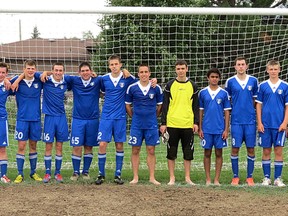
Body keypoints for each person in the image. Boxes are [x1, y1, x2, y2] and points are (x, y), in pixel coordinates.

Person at [95, 54, 137, 185]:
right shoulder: (104, 79)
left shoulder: (127, 78)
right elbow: (98, 90)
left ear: (120, 65)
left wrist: (153, 81)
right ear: (109, 66)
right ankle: (101, 174)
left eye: (116, 64)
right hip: (106, 117)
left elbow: (141, 83)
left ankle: (117, 174)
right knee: (102, 144)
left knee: (119, 145)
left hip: (120, 117)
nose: (114, 66)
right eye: (111, 64)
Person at [160, 60, 199, 186]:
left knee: (188, 152)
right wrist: (163, 123)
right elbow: (165, 105)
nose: (180, 71)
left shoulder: (193, 85)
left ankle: (187, 178)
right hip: (172, 123)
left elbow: (196, 106)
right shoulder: (170, 85)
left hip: (187, 124)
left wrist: (196, 122)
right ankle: (172, 178)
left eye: (182, 68)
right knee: (171, 152)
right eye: (178, 68)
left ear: (187, 69)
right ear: (175, 70)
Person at [125, 64, 163, 185]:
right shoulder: (132, 88)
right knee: (135, 149)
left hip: (151, 124)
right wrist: (134, 117)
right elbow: (127, 105)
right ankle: (135, 177)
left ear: (149, 73)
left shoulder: (156, 88)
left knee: (151, 150)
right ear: (138, 74)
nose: (144, 74)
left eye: (146, 72)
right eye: (141, 72)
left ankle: (152, 177)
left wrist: (153, 116)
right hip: (137, 124)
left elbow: (160, 106)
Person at [225, 57, 259, 186]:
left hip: (250, 121)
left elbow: (256, 101)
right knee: (235, 149)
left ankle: (250, 177)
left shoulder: (254, 81)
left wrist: (249, 110)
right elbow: (227, 101)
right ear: (235, 67)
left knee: (251, 149)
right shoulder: (230, 82)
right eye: (238, 64)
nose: (240, 67)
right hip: (236, 121)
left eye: (242, 64)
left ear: (247, 66)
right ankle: (235, 177)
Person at [256, 59, 288, 187]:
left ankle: (278, 179)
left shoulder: (285, 86)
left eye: (275, 69)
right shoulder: (262, 86)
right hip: (266, 125)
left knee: (279, 151)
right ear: (267, 70)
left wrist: (285, 123)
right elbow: (258, 105)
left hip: (279, 125)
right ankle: (266, 178)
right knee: (266, 151)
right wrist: (259, 122)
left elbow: (287, 107)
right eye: (271, 69)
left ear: (279, 70)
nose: (273, 71)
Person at [10, 59, 43, 183]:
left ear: (35, 69)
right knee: (21, 146)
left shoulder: (39, 81)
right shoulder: (16, 82)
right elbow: (6, 83)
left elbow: (49, 74)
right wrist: (17, 79)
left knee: (33, 145)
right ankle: (20, 173)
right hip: (22, 119)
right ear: (24, 69)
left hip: (35, 119)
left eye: (32, 68)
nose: (30, 70)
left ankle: (33, 172)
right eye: (28, 68)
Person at [69, 62, 102, 181]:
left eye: (87, 70)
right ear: (79, 73)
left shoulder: (98, 81)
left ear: (91, 71)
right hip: (78, 119)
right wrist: (47, 72)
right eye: (82, 71)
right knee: (77, 146)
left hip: (93, 119)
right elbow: (59, 74)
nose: (85, 72)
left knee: (89, 146)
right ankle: (76, 172)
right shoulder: (74, 81)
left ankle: (86, 172)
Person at [199, 68, 231, 186]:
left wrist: (226, 129)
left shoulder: (224, 93)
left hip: (219, 129)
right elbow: (200, 111)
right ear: (208, 78)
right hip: (207, 129)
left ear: (219, 78)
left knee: (219, 153)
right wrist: (200, 128)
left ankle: (216, 179)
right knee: (207, 153)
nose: (214, 79)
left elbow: (227, 112)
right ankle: (208, 179)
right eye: (212, 77)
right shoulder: (202, 93)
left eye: (216, 77)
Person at [41, 62, 70, 183]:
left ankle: (58, 173)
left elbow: (83, 76)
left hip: (61, 118)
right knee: (48, 146)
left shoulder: (67, 81)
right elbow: (28, 73)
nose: (58, 73)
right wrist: (45, 72)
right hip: (49, 117)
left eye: (60, 70)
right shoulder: (45, 80)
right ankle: (47, 173)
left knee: (59, 146)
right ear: (52, 71)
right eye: (56, 70)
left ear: (63, 71)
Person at [0, 62, 12, 183]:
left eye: (3, 72)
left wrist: (8, 80)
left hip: (1, 120)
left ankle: (3, 175)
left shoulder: (7, 86)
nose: (1, 74)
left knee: (2, 148)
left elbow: (24, 75)